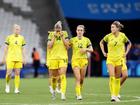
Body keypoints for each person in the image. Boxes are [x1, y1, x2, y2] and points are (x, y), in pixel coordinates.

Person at [100, 21, 131, 102]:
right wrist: (103, 52)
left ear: (117, 28)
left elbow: (129, 44)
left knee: (120, 77)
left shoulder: (122, 36)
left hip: (120, 60)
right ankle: (113, 96)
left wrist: (126, 53)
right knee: (112, 76)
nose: (111, 29)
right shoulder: (108, 36)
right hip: (110, 59)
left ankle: (116, 92)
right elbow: (101, 43)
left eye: (113, 27)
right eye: (111, 27)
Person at [70, 25, 93, 100]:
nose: (79, 31)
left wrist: (85, 49)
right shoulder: (72, 40)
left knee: (82, 79)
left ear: (83, 31)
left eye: (81, 30)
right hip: (75, 60)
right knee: (78, 78)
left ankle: (79, 92)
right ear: (76, 31)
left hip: (84, 60)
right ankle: (78, 94)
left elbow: (91, 49)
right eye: (78, 30)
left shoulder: (87, 40)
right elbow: (66, 47)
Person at [47, 21, 69, 100]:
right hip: (53, 58)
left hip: (63, 58)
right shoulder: (51, 34)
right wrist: (54, 37)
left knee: (62, 76)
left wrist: (62, 37)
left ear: (61, 28)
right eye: (57, 28)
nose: (58, 30)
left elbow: (67, 46)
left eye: (59, 28)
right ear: (54, 29)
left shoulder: (65, 34)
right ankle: (53, 92)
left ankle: (63, 94)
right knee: (54, 77)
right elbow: (49, 46)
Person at [2, 24, 26, 94]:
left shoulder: (22, 38)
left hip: (19, 58)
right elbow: (6, 48)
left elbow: (23, 48)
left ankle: (16, 89)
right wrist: (4, 57)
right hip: (10, 57)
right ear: (13, 30)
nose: (17, 31)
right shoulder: (9, 37)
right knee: (9, 73)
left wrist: (24, 58)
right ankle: (7, 85)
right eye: (16, 29)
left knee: (17, 74)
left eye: (19, 29)